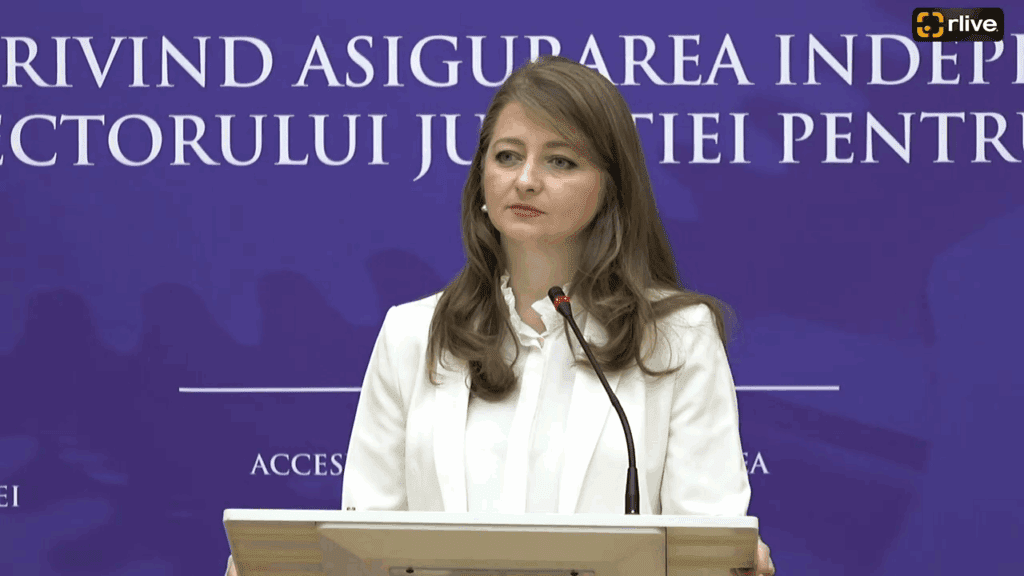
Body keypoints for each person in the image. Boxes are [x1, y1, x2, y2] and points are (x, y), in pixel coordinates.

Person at [226, 55, 774, 576]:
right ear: (482, 178)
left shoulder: (677, 336)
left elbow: (707, 539)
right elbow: (365, 544)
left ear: (611, 188)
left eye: (560, 161)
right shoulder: (412, 334)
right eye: (508, 156)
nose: (526, 179)